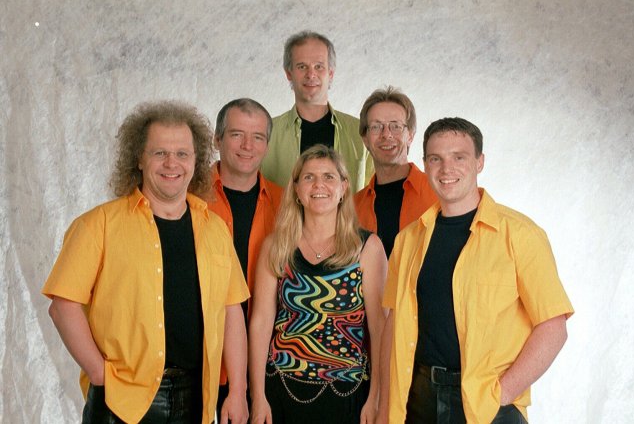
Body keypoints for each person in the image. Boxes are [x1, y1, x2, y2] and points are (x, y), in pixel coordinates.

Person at [42, 101, 250, 424]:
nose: (172, 163)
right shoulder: (98, 225)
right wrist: (99, 374)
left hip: (196, 398)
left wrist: (237, 390)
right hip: (121, 401)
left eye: (182, 153)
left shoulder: (215, 229)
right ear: (139, 158)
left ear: (196, 160)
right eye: (159, 153)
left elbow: (231, 309)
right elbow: (62, 306)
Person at [378, 118, 574, 424]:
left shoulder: (520, 235)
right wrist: (385, 407)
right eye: (436, 159)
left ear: (479, 162)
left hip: (489, 405)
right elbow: (393, 324)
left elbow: (553, 326)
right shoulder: (408, 241)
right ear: (425, 165)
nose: (447, 168)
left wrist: (503, 394)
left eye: (459, 157)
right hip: (417, 400)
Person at [250, 145, 387, 424]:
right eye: (309, 177)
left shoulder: (367, 248)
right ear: (296, 190)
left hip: (347, 392)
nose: (318, 185)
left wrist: (375, 398)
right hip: (281, 388)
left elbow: (379, 328)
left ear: (343, 188)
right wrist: (258, 395)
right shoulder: (276, 246)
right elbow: (261, 322)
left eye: (329, 177)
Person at [208, 98, 283, 418]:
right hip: (202, 359)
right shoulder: (188, 197)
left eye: (258, 137)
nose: (247, 146)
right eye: (237, 134)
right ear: (217, 139)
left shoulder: (287, 204)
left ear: (267, 145)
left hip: (268, 363)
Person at [260, 30, 374, 192]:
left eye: (319, 66)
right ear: (289, 73)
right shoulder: (266, 134)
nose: (311, 74)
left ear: (331, 73)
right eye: (302, 66)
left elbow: (373, 195)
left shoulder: (360, 133)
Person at [354, 86, 438, 257]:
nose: (386, 135)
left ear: (410, 136)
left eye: (396, 126)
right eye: (376, 127)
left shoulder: (439, 194)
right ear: (365, 139)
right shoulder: (353, 208)